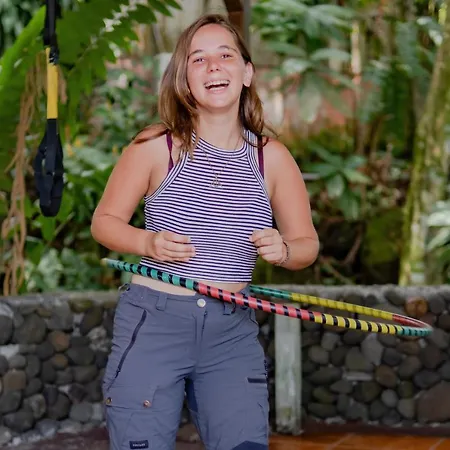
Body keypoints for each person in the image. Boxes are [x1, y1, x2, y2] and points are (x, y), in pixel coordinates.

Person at [91, 13, 319, 450]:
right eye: (198, 59)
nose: (213, 66)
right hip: (155, 321)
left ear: (247, 72)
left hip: (230, 332)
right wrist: (147, 241)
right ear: (184, 79)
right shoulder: (156, 146)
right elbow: (104, 221)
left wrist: (285, 250)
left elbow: (307, 244)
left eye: (225, 55)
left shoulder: (272, 158)